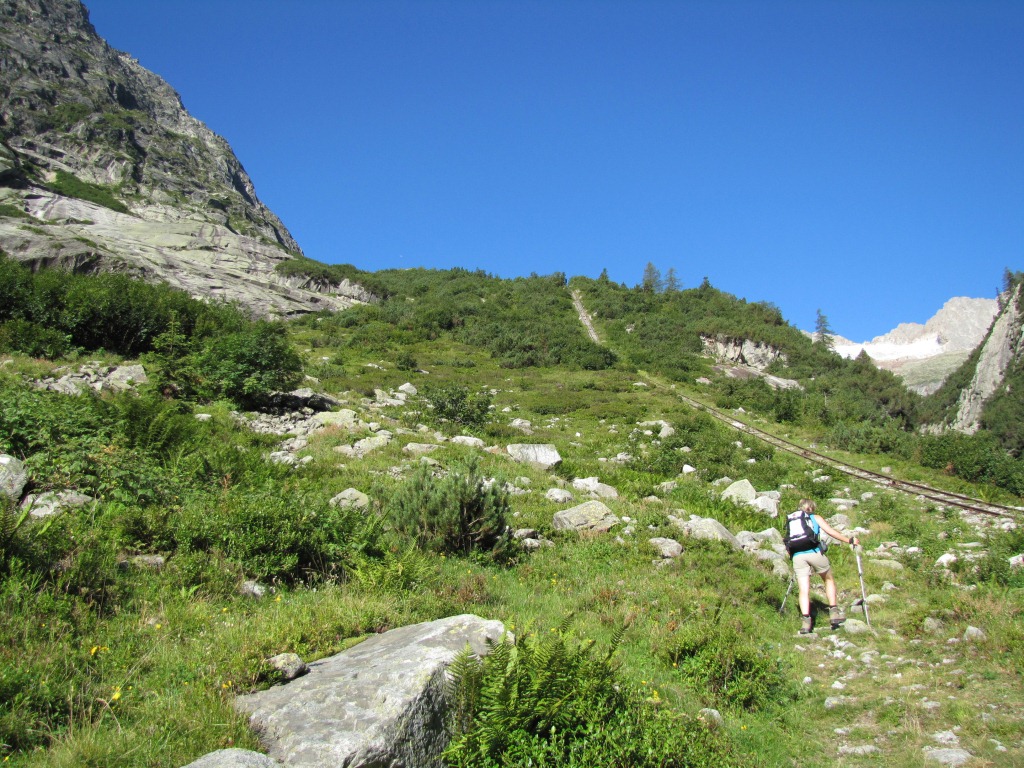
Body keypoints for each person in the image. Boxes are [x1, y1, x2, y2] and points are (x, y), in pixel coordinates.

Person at [786, 499, 860, 634]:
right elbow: (831, 532)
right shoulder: (815, 518)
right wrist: (849, 540)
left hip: (797, 556)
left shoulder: (793, 520)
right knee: (828, 579)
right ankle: (833, 612)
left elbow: (788, 541)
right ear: (812, 508)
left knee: (804, 589)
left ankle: (806, 623)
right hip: (814, 552)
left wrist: (792, 556)